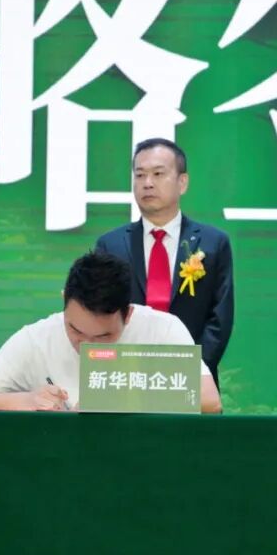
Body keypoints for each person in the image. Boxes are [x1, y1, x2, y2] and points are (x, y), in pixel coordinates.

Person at [0, 252, 221, 413]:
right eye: (75, 330)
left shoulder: (163, 329)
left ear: (128, 314)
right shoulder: (36, 339)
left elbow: (210, 401)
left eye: (103, 337)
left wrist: (109, 399)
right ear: (64, 300)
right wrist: (24, 400)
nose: (86, 345)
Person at [96, 138, 234, 387]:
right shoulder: (110, 245)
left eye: (158, 174)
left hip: (192, 380)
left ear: (182, 182)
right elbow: (100, 315)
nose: (147, 183)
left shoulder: (213, 243)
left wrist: (192, 371)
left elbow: (219, 320)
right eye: (140, 175)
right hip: (125, 379)